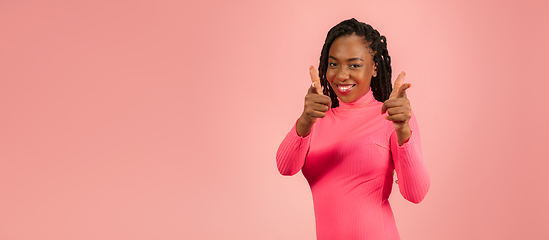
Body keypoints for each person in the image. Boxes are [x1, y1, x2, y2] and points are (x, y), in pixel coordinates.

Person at [276, 18, 430, 240]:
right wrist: (304, 120)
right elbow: (285, 167)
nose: (341, 75)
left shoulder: (391, 116)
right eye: (333, 64)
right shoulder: (317, 117)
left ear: (375, 67)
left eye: (354, 65)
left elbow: (416, 194)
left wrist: (404, 131)